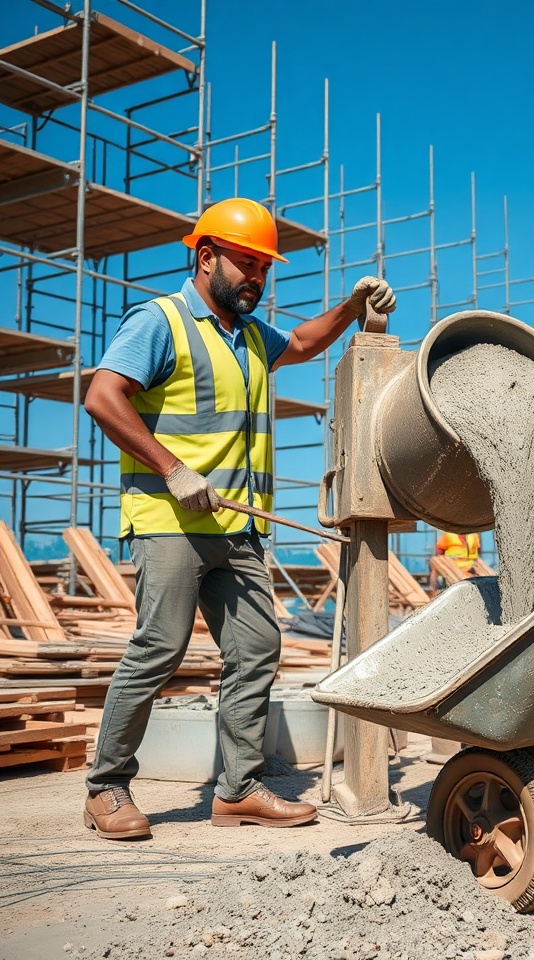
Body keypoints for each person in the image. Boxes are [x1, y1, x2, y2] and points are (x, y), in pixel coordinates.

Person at [82, 197, 396, 840]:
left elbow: (305, 342)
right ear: (205, 258)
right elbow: (102, 396)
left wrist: (352, 304)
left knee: (257, 648)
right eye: (246, 264)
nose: (256, 278)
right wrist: (173, 469)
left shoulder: (251, 337)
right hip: (170, 518)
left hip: (237, 526)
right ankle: (107, 786)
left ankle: (237, 788)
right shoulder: (161, 321)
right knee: (160, 648)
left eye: (264, 268)